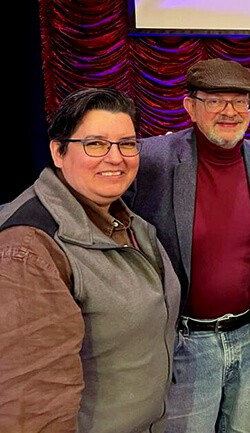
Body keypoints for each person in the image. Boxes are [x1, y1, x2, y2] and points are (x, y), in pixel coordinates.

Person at [123, 58, 250, 433]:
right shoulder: (152, 161)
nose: (230, 111)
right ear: (190, 106)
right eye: (215, 101)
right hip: (185, 346)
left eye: (241, 101)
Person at [0, 87, 181, 432]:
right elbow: (31, 410)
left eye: (127, 143)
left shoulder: (127, 221)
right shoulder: (29, 250)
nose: (116, 158)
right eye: (95, 144)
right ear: (58, 151)